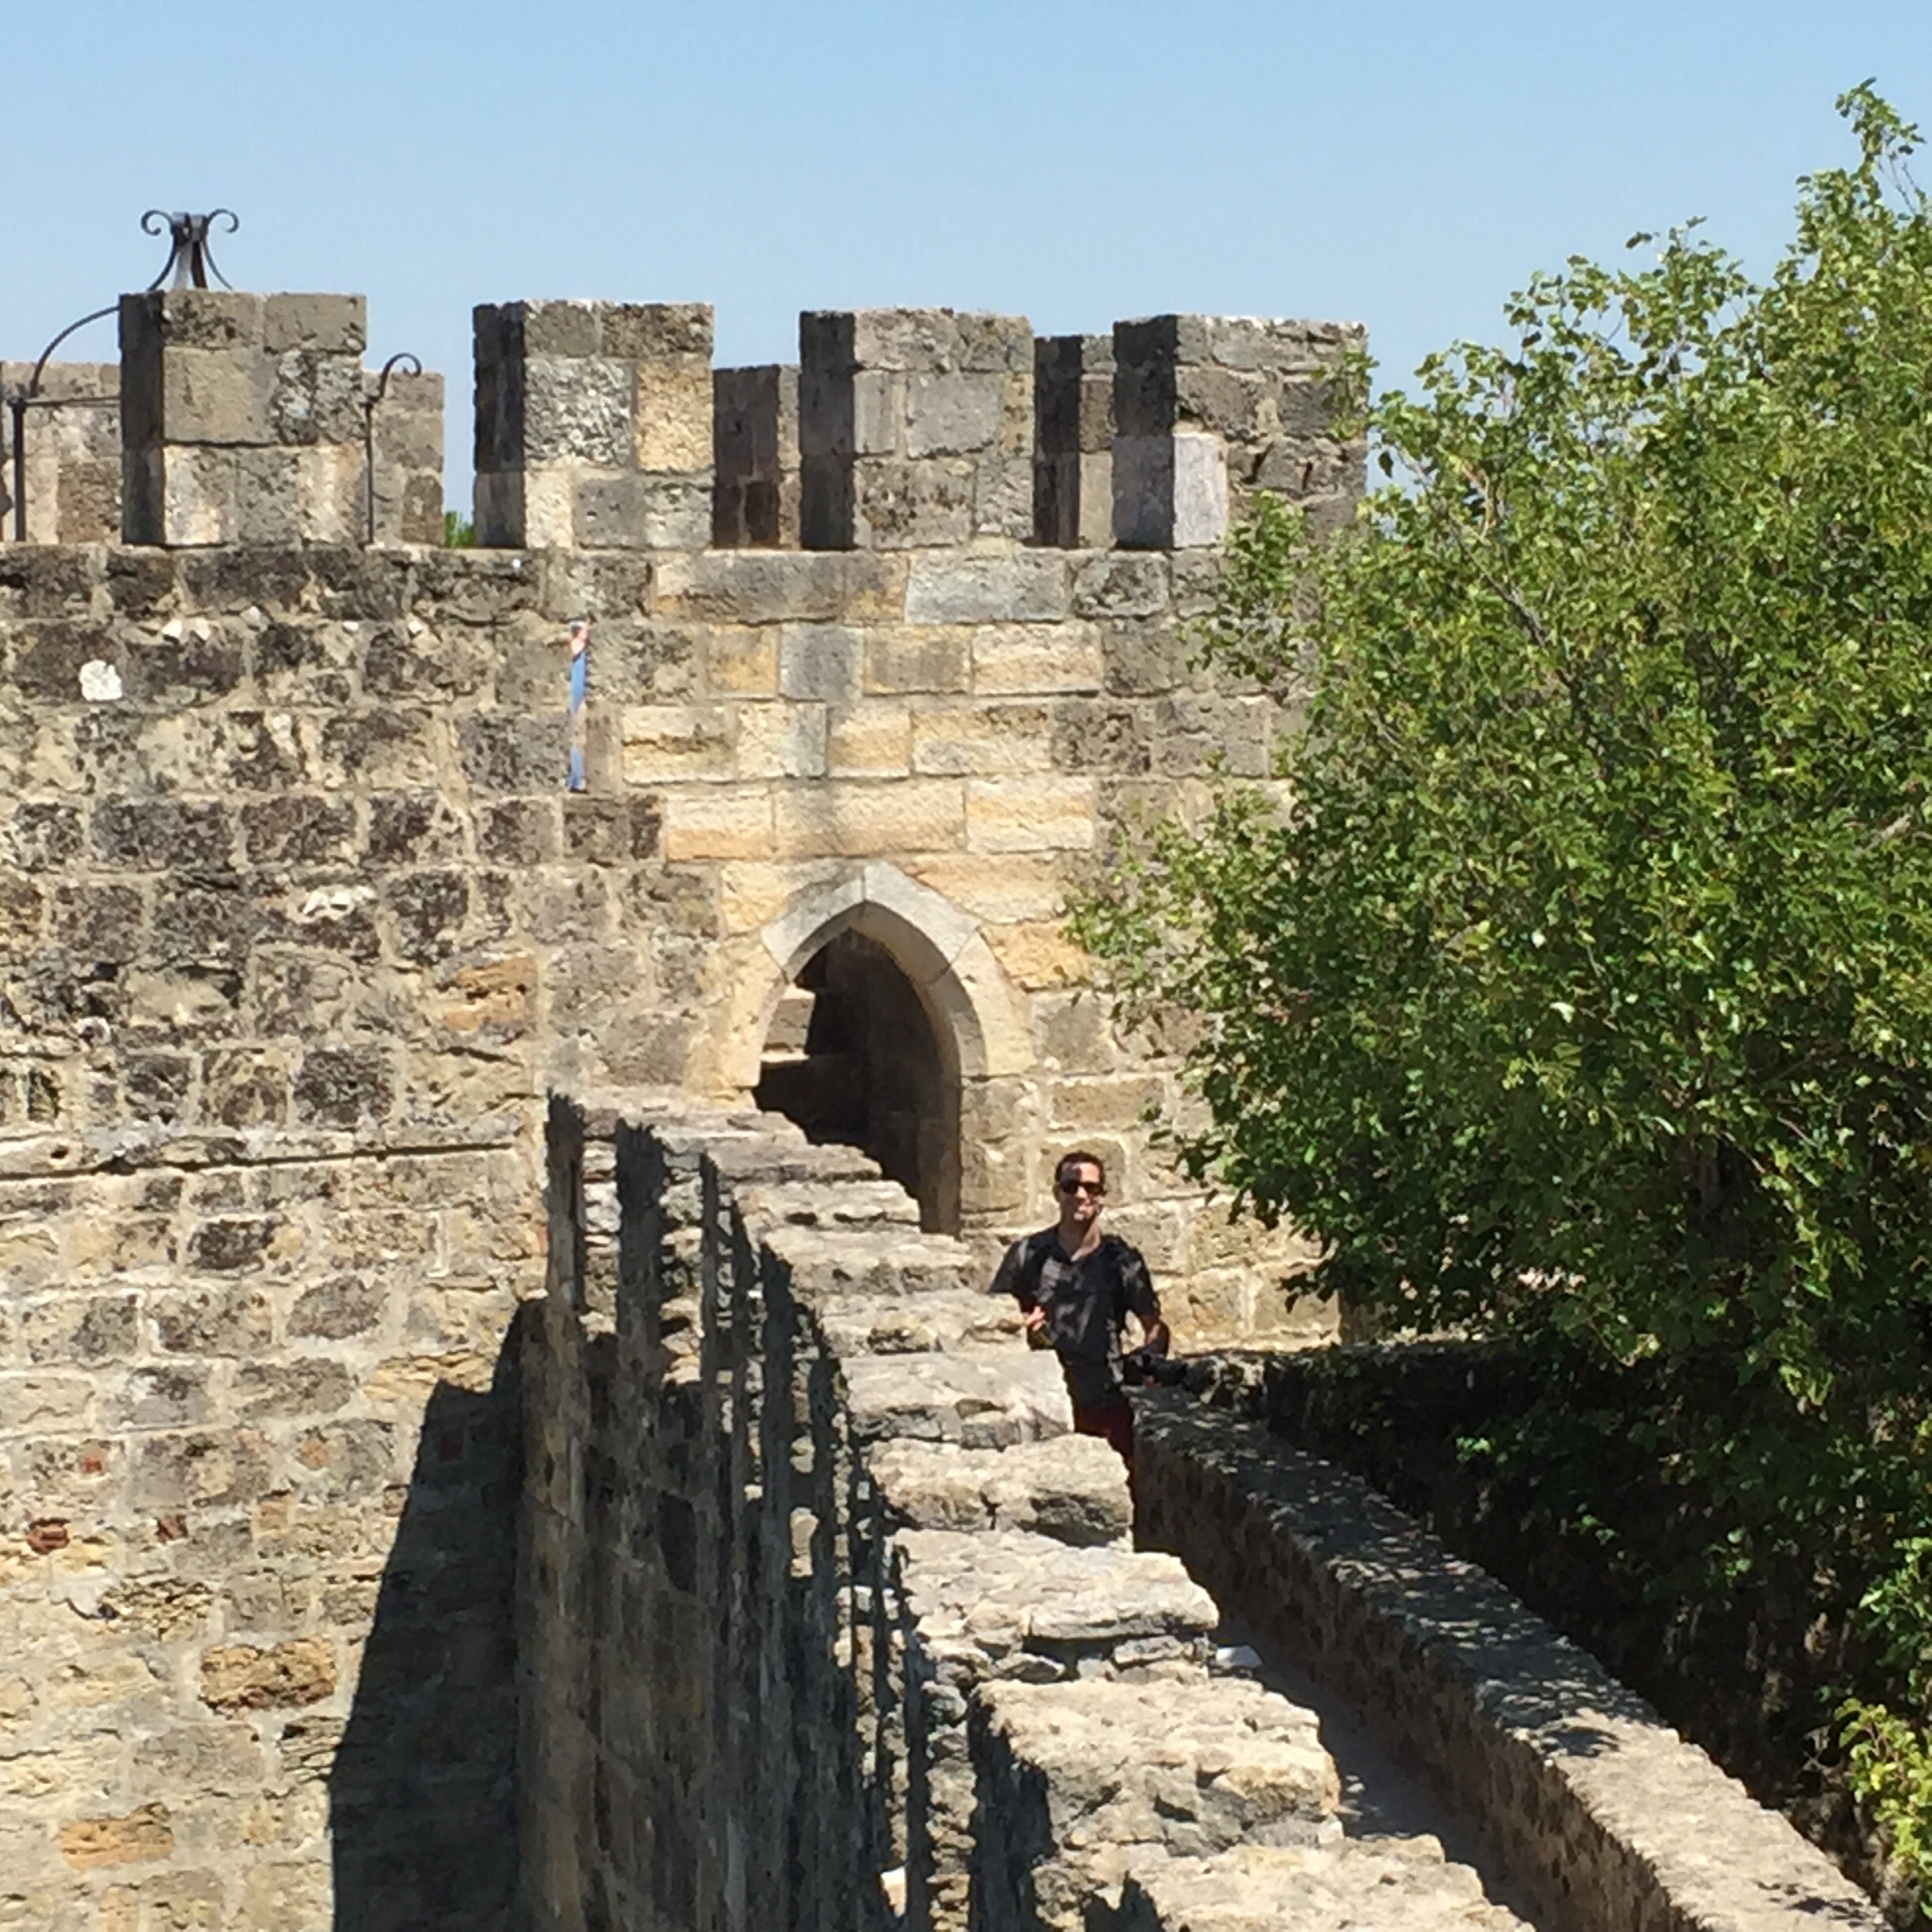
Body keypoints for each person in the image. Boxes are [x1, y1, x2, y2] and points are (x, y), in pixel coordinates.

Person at [990, 1150, 1170, 1465]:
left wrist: (1146, 1363)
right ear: (1057, 1193)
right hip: (1040, 1402)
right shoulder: (1027, 1255)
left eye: (1091, 1188)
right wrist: (1020, 1325)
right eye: (1071, 1186)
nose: (1081, 1195)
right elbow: (992, 1319)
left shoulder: (1122, 1260)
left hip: (1106, 1401)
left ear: (1102, 1196)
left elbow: (1154, 1327)